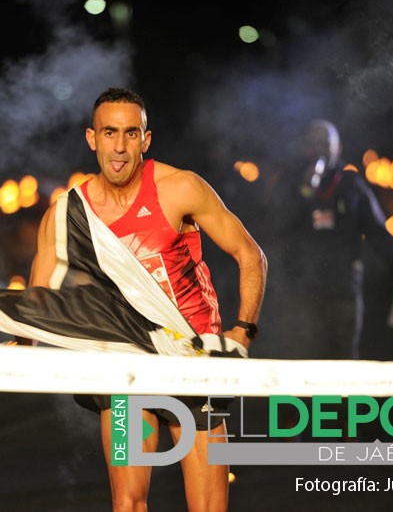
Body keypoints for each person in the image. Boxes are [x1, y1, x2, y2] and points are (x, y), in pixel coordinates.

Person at [28, 88, 267, 511]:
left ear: (145, 139)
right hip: (127, 371)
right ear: (92, 138)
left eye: (130, 133)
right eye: (109, 133)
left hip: (195, 367)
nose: (119, 146)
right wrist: (18, 347)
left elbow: (251, 255)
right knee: (128, 503)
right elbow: (37, 302)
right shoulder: (68, 213)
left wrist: (243, 330)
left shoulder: (180, 188)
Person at [270, 119, 393, 361]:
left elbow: (378, 231)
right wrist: (304, 193)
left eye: (325, 143)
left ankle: (344, 400)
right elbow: (277, 228)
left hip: (343, 287)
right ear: (305, 148)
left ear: (337, 148)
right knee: (306, 357)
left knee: (344, 357)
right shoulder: (292, 183)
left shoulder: (351, 185)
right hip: (304, 290)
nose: (319, 149)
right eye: (314, 143)